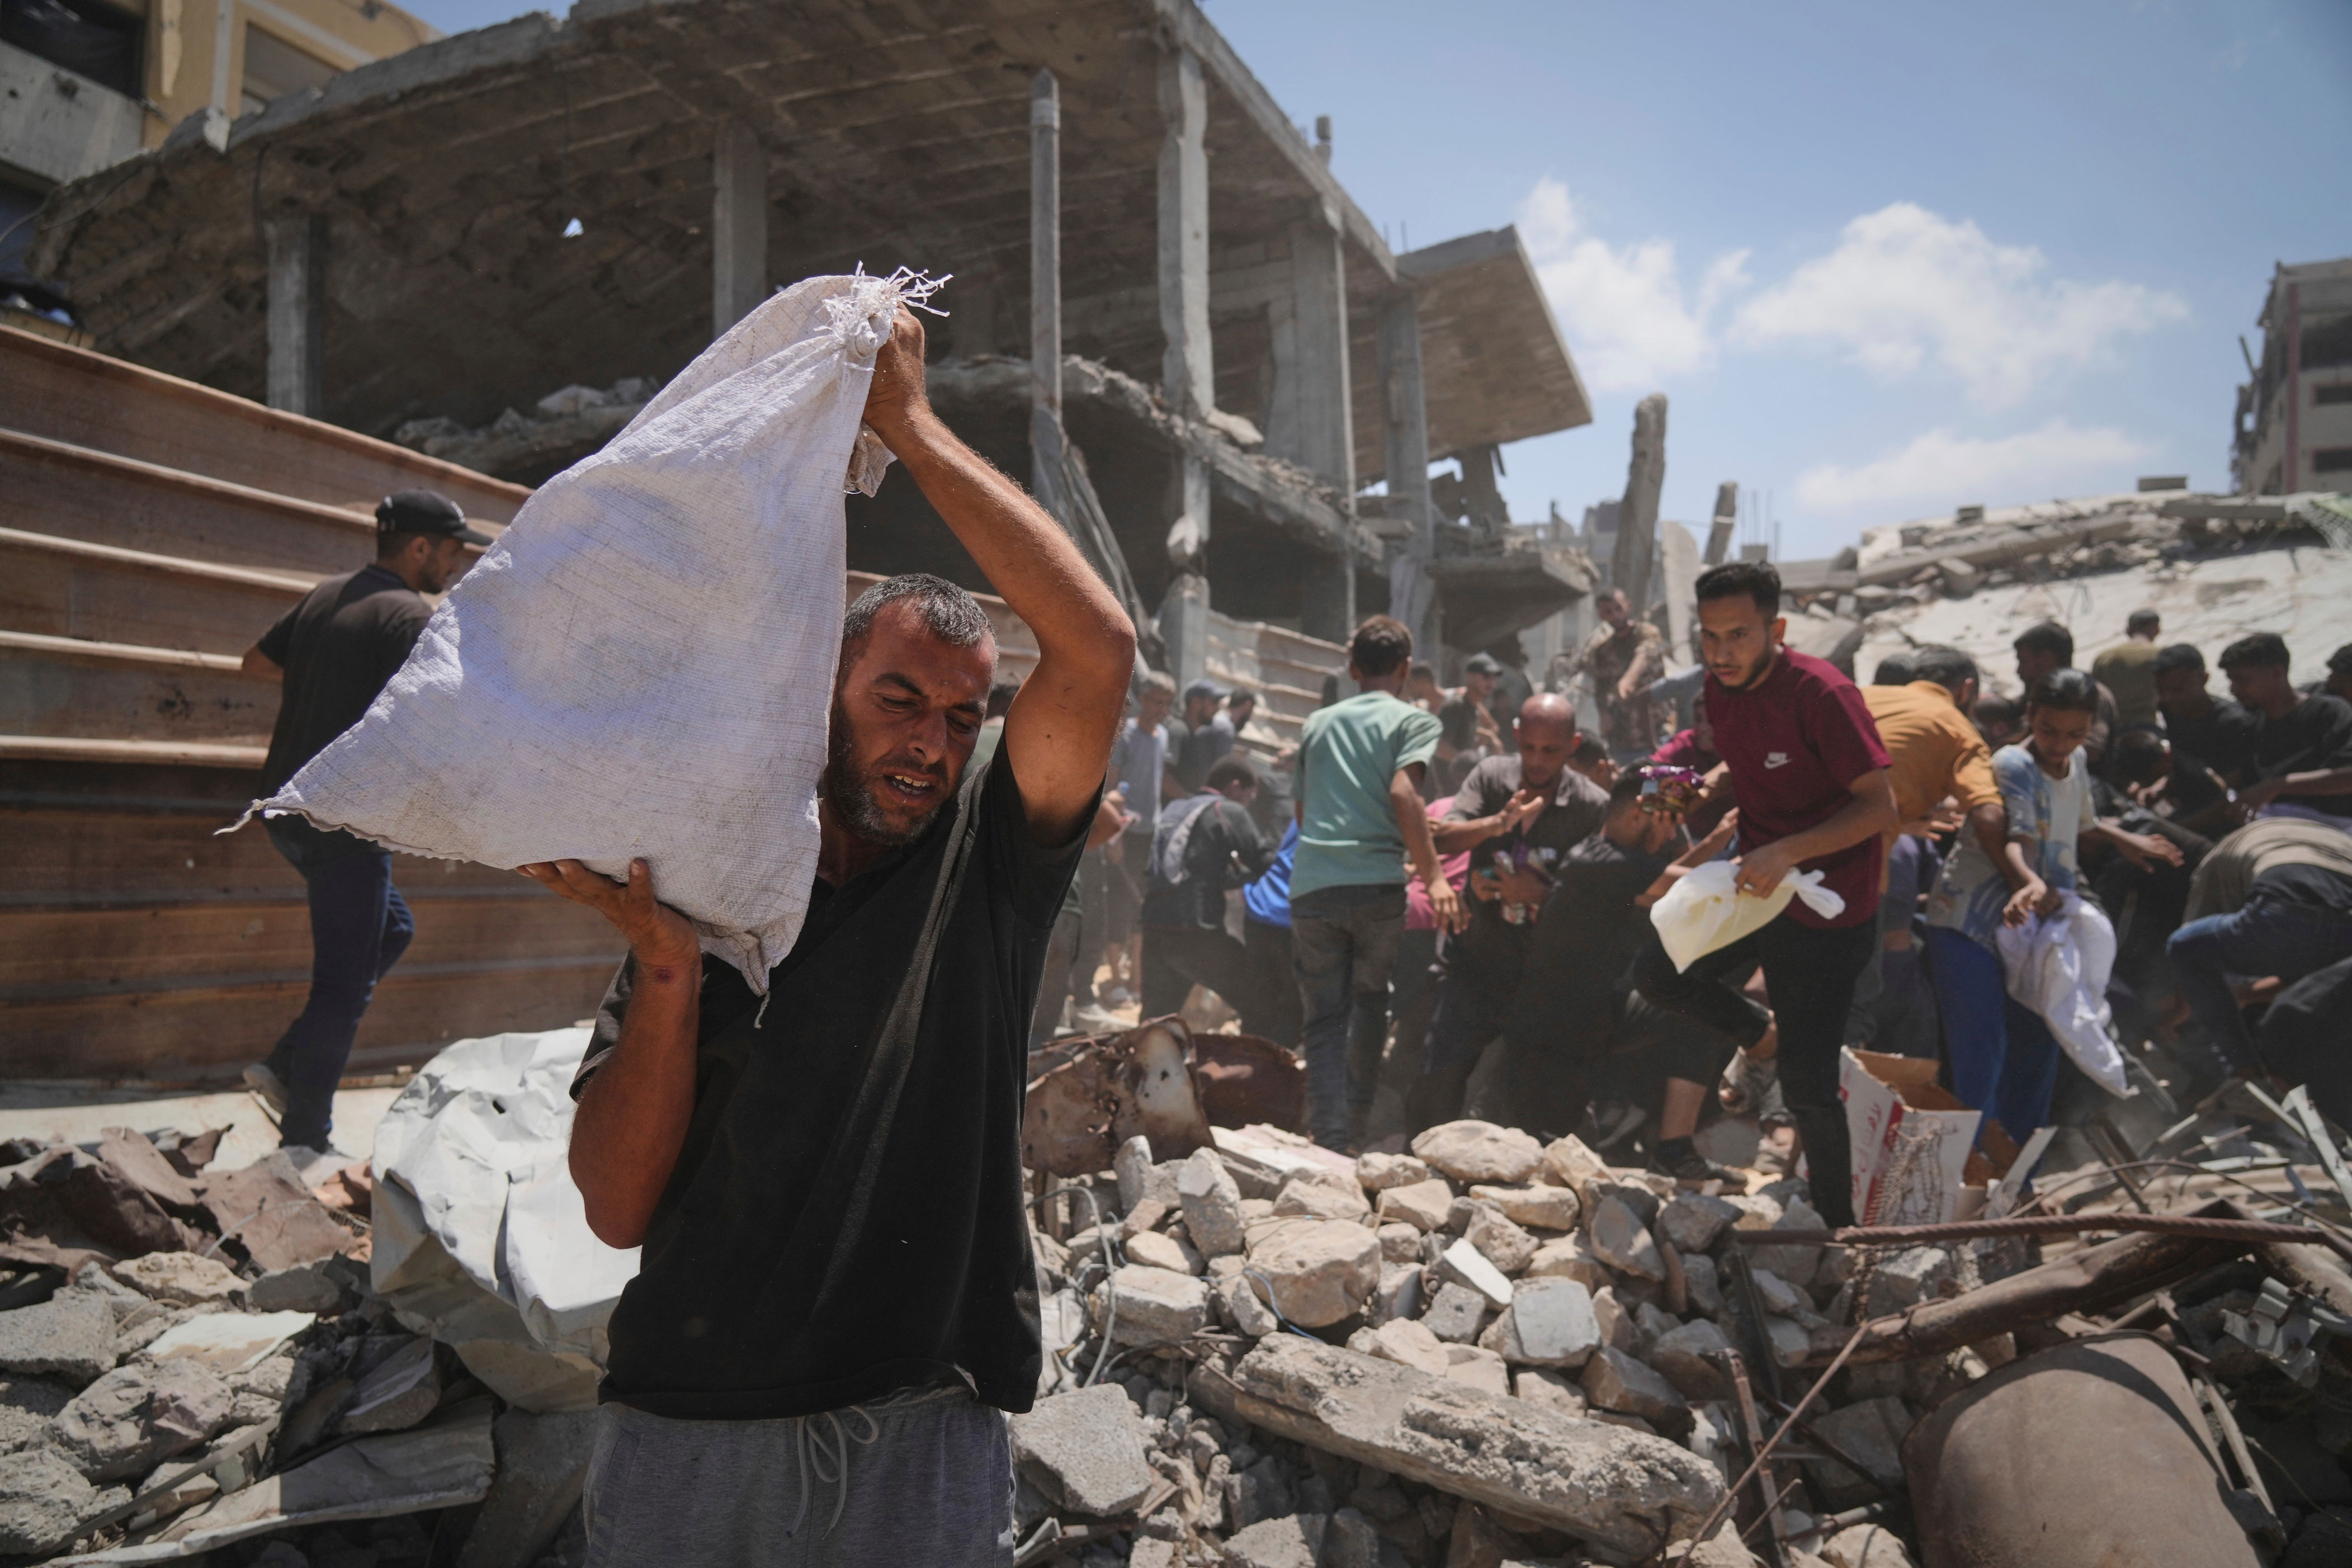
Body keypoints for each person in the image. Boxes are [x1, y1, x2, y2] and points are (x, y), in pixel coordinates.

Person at [522, 305, 1132, 1565]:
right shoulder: (714, 882)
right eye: (899, 699)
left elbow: (1099, 644)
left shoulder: (991, 865)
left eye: (962, 717)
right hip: (691, 1429)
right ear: (823, 693)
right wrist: (668, 973)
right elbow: (617, 1208)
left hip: (917, 1428)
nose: (931, 741)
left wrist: (907, 425)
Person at [1629, 561, 1897, 1226]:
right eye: (1710, 635)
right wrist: (1701, 788)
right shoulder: (1719, 688)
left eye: (1739, 634)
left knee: (1809, 1088)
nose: (1722, 651)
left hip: (1828, 908)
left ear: (1775, 631)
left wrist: (1788, 850)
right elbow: (1745, 757)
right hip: (1754, 883)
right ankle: (1760, 1035)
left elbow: (1879, 807)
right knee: (1658, 971)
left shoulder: (1823, 692)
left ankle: (1838, 1231)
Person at [238, 489, 490, 1165]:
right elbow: (441, 708)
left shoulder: (328, 595)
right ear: (419, 547)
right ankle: (304, 1139)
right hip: (343, 819)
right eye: (451, 550)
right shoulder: (407, 615)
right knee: (343, 984)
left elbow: (255, 662)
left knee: (392, 929)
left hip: (285, 810)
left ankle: (288, 1061)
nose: (456, 565)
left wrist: (327, 671)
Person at [1921, 669, 2182, 1142]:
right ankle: (1971, 1168)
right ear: (2030, 716)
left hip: (2030, 927)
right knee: (1981, 1051)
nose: (2060, 745)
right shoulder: (2013, 764)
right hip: (1970, 922)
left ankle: (2017, 1170)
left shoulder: (2075, 760)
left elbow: (2080, 820)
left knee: (2039, 1046)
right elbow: (2015, 837)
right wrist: (2029, 884)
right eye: (2049, 731)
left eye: (2075, 734)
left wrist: (2126, 840)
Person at [1501, 770, 1730, 1177]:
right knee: (1544, 1166)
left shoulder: (1613, 862)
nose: (1671, 834)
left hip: (1597, 1018)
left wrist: (1714, 843)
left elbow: (1658, 885)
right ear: (1640, 813)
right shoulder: (1599, 861)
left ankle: (1675, 1153)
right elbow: (1689, 888)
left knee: (1700, 1010)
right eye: (1668, 821)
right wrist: (1771, 862)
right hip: (1552, 1044)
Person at [1290, 616, 1461, 1151]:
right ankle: (1356, 1130)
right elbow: (1405, 795)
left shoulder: (1317, 724)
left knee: (1324, 1018)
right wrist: (1434, 877)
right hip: (1377, 887)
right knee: (1368, 1006)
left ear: (1352, 668)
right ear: (1406, 669)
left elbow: (1302, 812)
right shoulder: (1414, 722)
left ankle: (1328, 1132)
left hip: (1314, 885)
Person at [1406, 695, 1609, 1132]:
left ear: (1572, 746)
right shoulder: (1491, 777)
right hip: (1475, 960)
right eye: (1529, 747)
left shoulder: (1592, 806)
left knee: (1539, 1101)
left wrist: (1544, 894)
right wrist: (1496, 825)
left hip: (1541, 978)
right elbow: (1441, 838)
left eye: (1550, 750)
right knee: (1439, 1078)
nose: (1537, 761)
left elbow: (1601, 900)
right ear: (1516, 736)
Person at [1850, 646, 2004, 1050]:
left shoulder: (1857, 698)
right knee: (1854, 1010)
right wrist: (2023, 880)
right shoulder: (1956, 729)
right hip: (1856, 881)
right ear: (1966, 690)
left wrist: (1904, 820)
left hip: (1781, 856)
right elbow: (1988, 817)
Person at [2167, 818, 2352, 1078]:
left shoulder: (2215, 862)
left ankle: (2244, 1066)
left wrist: (2178, 1012)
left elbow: (2192, 945)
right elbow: (2314, 962)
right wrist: (2244, 994)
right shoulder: (2317, 833)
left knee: (2183, 948)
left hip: (2286, 907)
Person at [1139, 756, 1278, 1026]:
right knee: (1261, 999)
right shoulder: (1227, 809)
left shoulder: (1177, 808)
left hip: (1155, 925)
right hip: (1195, 930)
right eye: (1248, 798)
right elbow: (1262, 860)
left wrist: (1241, 876)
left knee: (1155, 1022)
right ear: (1235, 787)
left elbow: (1193, 870)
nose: (1247, 805)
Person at [2218, 633, 2352, 826]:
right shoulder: (2249, 723)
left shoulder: (2329, 713)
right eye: (2231, 680)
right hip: (2273, 822)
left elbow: (2348, 777)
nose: (2234, 690)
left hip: (2332, 824)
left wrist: (2278, 786)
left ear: (2277, 673)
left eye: (2243, 681)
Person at [1099, 672, 1177, 1003]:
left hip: (1150, 835)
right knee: (1119, 903)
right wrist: (1113, 836)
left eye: (1167, 704)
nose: (1162, 710)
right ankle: (1116, 979)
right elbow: (1112, 787)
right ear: (1143, 700)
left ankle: (1136, 980)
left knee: (1140, 907)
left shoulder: (1163, 737)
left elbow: (1157, 781)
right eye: (1157, 702)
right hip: (1126, 832)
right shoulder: (1127, 736)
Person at [1556, 587, 1665, 764]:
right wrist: (1604, 713)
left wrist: (1628, 681)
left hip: (1658, 731)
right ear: (1601, 615)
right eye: (1608, 612)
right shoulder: (1603, 651)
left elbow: (1645, 653)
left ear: (1628, 606)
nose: (1615, 616)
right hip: (1625, 739)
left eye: (1618, 609)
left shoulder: (1646, 633)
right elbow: (1601, 687)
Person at [2014, 621, 2117, 771]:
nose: (2019, 671)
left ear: (2046, 659)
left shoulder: (2087, 695)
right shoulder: (2040, 693)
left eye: (2023, 662)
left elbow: (2093, 749)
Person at [2154, 643, 2257, 787]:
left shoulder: (2234, 723)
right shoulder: (2170, 710)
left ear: (2204, 678)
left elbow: (2230, 782)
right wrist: (2159, 787)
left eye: (2177, 690)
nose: (2168, 698)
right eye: (2161, 690)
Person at [1240, 822, 1303, 1050]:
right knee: (1293, 1006)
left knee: (1260, 1001)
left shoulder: (1308, 807)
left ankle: (1246, 1062)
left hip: (1260, 908)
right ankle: (1271, 1065)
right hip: (1292, 916)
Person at [2091, 610, 2164, 731]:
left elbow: (2094, 696)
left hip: (2111, 730)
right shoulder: (2161, 656)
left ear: (2128, 630)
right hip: (2147, 729)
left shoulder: (2105, 657)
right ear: (2157, 630)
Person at [1170, 677, 1235, 792]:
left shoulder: (1195, 736)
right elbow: (1163, 775)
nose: (1217, 709)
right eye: (1214, 703)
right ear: (1196, 703)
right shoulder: (1178, 731)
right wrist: (1187, 800)